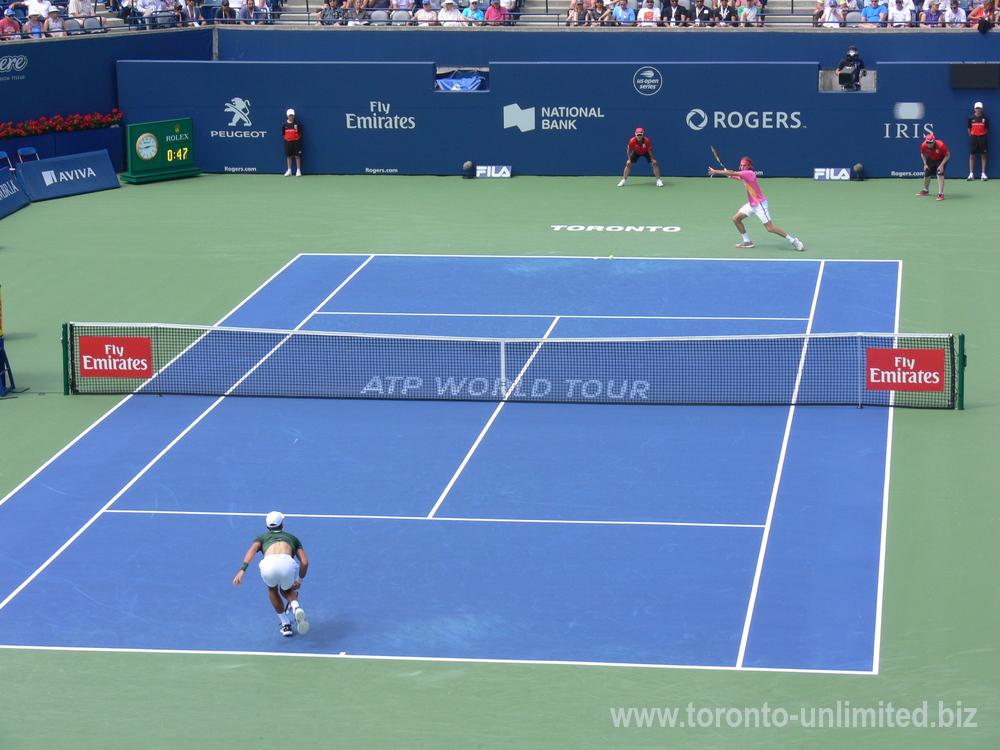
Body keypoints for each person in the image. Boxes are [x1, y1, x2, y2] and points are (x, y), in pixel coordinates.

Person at [232, 512, 310, 638]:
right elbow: (305, 562)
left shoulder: (261, 537)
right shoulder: (292, 538)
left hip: (269, 564)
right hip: (287, 563)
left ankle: (286, 624)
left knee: (272, 590)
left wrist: (242, 570)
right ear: (282, 524)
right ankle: (296, 608)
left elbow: (252, 550)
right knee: (287, 590)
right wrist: (299, 581)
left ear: (267, 526)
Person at [707, 157, 805, 251]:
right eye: (741, 165)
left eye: (745, 165)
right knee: (736, 219)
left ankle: (793, 240)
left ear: (749, 166)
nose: (742, 167)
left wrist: (716, 172)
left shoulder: (749, 173)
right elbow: (736, 176)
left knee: (770, 228)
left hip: (760, 204)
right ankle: (747, 241)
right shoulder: (745, 175)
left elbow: (731, 172)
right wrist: (731, 176)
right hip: (751, 204)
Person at [917, 132, 949, 200]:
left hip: (941, 158)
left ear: (934, 141)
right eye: (927, 142)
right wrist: (925, 164)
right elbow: (922, 154)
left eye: (930, 142)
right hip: (931, 158)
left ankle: (941, 193)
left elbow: (948, 155)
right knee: (926, 175)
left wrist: (941, 165)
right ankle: (926, 190)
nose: (928, 144)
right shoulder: (923, 145)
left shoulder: (941, 145)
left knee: (939, 174)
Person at [968, 101, 988, 181]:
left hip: (982, 138)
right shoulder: (971, 118)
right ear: (974, 109)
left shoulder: (985, 118)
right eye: (976, 108)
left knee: (983, 156)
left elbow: (986, 128)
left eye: (979, 108)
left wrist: (981, 134)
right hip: (974, 138)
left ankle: (983, 174)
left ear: (982, 109)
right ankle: (971, 174)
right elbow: (969, 128)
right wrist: (973, 136)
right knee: (972, 156)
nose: (978, 109)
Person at [282, 109, 302, 176]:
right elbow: (283, 134)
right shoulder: (284, 124)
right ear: (287, 115)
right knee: (289, 156)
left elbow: (300, 133)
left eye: (292, 115)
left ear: (294, 115)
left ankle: (298, 170)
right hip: (288, 142)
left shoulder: (297, 123)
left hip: (296, 142)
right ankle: (289, 170)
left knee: (297, 156)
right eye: (290, 115)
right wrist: (288, 138)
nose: (291, 116)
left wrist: (296, 138)